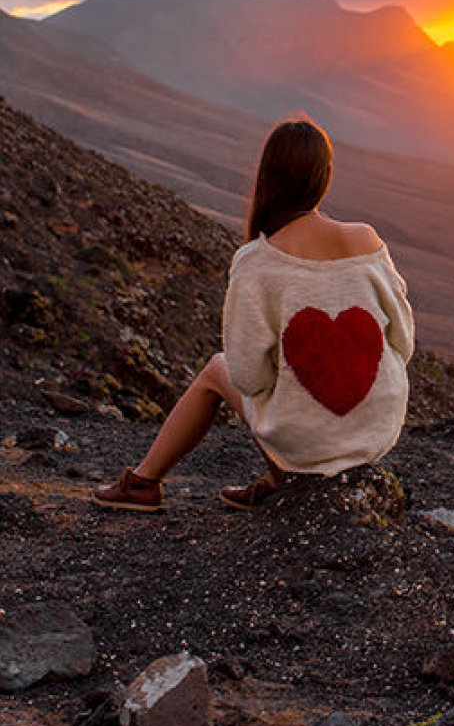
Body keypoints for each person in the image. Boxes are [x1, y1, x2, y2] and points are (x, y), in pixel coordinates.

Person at [94, 118, 415, 512]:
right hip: (376, 433)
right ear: (326, 175)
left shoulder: (257, 260)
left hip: (306, 445)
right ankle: (277, 480)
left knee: (217, 370)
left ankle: (143, 483)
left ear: (267, 176)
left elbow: (248, 377)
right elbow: (404, 341)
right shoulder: (367, 240)